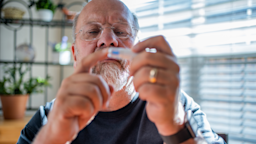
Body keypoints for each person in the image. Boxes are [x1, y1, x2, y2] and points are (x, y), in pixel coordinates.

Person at [17, 0, 225, 144]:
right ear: (75, 54)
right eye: (92, 31)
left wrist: (176, 127)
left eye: (121, 31)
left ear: (139, 47)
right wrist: (52, 137)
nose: (108, 40)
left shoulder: (176, 106)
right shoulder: (47, 118)